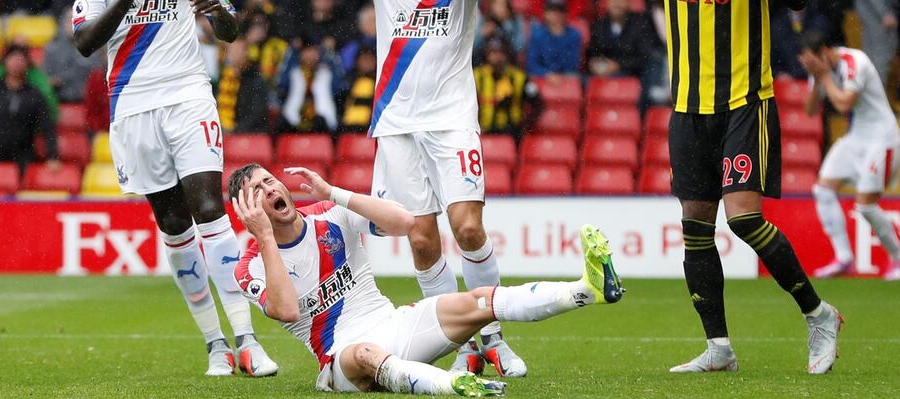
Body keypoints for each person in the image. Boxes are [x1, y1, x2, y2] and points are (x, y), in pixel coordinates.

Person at [590, 0, 842, 374]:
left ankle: (819, 314)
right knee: (695, 229)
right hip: (687, 110)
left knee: (745, 218)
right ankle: (719, 348)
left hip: (744, 102)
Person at [307, 0, 528, 377]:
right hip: (397, 124)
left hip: (451, 121)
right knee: (423, 239)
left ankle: (491, 336)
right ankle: (462, 346)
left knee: (468, 228)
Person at [71, 0, 276, 377]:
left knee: (210, 207)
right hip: (133, 102)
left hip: (188, 94)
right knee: (173, 223)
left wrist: (217, 15)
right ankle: (215, 345)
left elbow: (229, 28)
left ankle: (248, 340)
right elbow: (84, 42)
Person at [227, 163, 624, 395]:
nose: (269, 188)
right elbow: (287, 308)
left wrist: (335, 191)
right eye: (256, 191)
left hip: (396, 323)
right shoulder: (250, 265)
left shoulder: (330, 214)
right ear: (247, 210)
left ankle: (586, 290)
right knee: (366, 355)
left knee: (479, 301)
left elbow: (404, 223)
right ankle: (456, 386)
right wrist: (263, 236)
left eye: (269, 180)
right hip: (342, 357)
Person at [799, 31, 900, 281]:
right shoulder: (820, 70)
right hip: (856, 137)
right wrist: (818, 80)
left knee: (866, 205)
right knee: (823, 189)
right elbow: (809, 110)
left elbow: (844, 104)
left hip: (882, 138)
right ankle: (844, 258)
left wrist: (824, 76)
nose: (813, 67)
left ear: (825, 51)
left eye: (814, 62)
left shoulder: (855, 61)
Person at [0, 45, 58, 170]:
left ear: (27, 64)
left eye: (21, 59)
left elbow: (47, 127)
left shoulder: (34, 94)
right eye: (13, 58)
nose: (17, 63)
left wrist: (52, 156)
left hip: (22, 158)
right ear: (5, 62)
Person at [587, 0, 665, 111]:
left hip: (635, 73)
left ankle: (641, 121)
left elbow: (646, 56)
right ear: (606, 2)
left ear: (629, 2)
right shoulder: (599, 25)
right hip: (603, 73)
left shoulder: (641, 23)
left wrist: (618, 65)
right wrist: (594, 63)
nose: (617, 3)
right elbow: (592, 53)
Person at [475, 38, 539, 140]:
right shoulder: (476, 76)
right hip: (484, 131)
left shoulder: (520, 77)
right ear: (486, 54)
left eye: (500, 52)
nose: (497, 57)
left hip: (512, 133)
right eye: (493, 52)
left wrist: (526, 126)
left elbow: (536, 102)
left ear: (506, 54)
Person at [527, 0, 583, 79]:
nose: (556, 14)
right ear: (545, 14)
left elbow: (573, 65)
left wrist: (558, 76)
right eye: (552, 10)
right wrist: (547, 74)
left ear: (565, 14)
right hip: (542, 78)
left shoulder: (574, 35)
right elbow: (532, 64)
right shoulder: (537, 35)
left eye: (560, 10)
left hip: (566, 78)